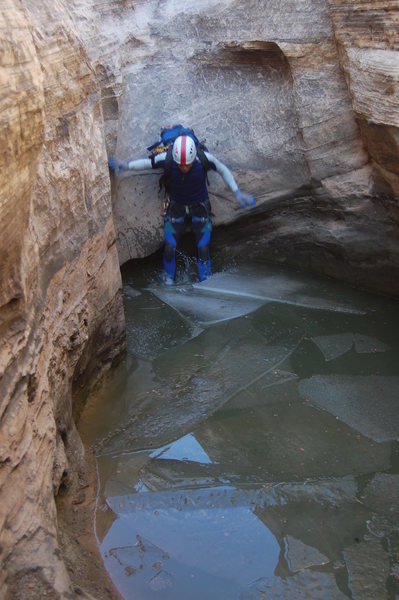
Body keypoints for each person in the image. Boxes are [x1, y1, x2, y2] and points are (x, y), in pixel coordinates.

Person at [109, 135, 256, 283]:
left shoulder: (204, 159)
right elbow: (147, 163)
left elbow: (222, 169)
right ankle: (168, 281)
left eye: (188, 165)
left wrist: (237, 192)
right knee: (169, 248)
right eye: (181, 165)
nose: (184, 168)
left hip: (200, 208)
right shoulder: (168, 159)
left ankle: (206, 281)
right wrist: (126, 165)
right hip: (176, 208)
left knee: (203, 248)